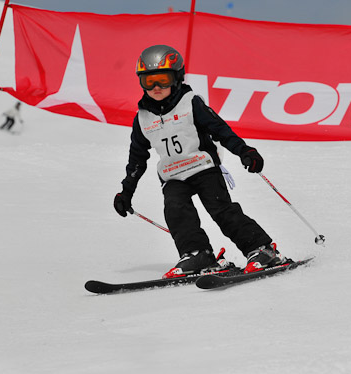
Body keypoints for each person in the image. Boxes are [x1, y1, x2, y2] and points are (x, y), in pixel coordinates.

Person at [113, 44, 288, 279]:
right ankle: (197, 254)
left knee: (222, 211)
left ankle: (261, 250)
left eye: (163, 80)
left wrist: (244, 151)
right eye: (148, 81)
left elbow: (220, 130)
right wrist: (126, 193)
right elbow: (136, 159)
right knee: (176, 211)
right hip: (173, 176)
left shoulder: (190, 102)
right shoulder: (142, 118)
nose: (156, 87)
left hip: (203, 168)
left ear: (176, 78)